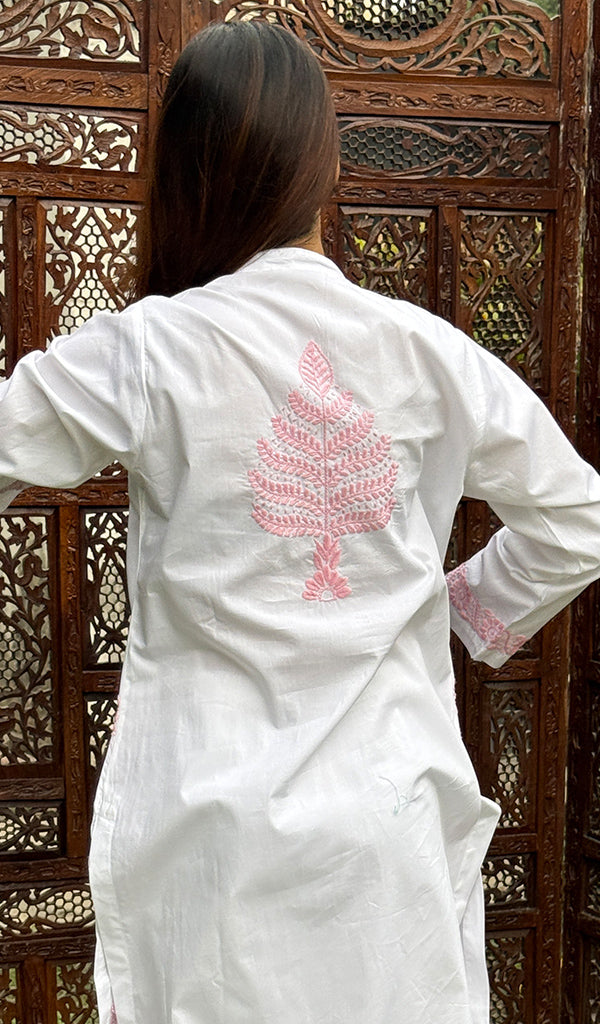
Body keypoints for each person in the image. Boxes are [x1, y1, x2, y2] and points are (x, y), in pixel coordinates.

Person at [0, 20, 599, 1024]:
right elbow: (577, 521)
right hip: (389, 832)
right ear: (326, 172)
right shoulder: (428, 354)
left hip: (215, 843)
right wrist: (460, 612)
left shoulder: (153, 352)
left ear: (183, 173)